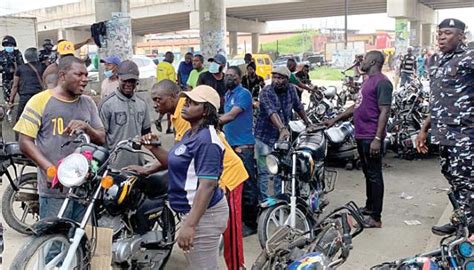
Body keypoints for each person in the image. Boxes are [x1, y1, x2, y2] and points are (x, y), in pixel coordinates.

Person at [139, 85, 229, 269]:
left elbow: (208, 185)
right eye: (186, 101)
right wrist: (153, 148)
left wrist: (190, 225)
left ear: (206, 111)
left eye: (192, 103)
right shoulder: (190, 133)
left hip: (205, 215)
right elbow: (174, 161)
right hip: (193, 213)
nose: (185, 105)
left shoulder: (207, 141)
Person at [13, 55, 105, 222]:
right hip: (54, 190)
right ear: (62, 76)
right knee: (53, 243)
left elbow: (101, 138)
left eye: (86, 75)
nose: (85, 79)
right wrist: (50, 170)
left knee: (79, 242)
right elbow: (24, 142)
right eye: (79, 75)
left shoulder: (88, 103)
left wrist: (86, 127)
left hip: (84, 189)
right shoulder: (40, 101)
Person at [415, 18, 474, 236]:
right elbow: (438, 101)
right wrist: (424, 129)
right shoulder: (439, 61)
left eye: (448, 33)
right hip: (443, 133)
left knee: (467, 181)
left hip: (465, 135)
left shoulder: (469, 58)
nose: (441, 37)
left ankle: (469, 229)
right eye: (439, 33)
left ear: (461, 36)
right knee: (453, 177)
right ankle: (462, 221)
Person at [325, 51, 393, 228]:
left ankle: (376, 218)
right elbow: (356, 107)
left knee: (375, 175)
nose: (360, 62)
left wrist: (378, 138)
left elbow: (385, 111)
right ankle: (370, 208)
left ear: (372, 61)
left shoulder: (382, 82)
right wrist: (334, 120)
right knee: (368, 174)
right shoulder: (367, 81)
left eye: (364, 59)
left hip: (371, 136)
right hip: (362, 135)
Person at [255, 66, 312, 201]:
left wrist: (308, 122)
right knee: (264, 173)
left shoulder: (291, 89)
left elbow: (298, 107)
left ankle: (280, 201)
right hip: (263, 139)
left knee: (282, 170)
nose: (276, 81)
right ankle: (266, 205)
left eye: (280, 78)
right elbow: (271, 112)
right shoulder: (266, 92)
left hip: (282, 140)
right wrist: (282, 128)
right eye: (274, 77)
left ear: (287, 80)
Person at [220, 66, 259, 238]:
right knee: (233, 184)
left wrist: (211, 120)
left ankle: (251, 224)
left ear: (239, 78)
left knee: (248, 185)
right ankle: (238, 220)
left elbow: (231, 115)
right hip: (231, 147)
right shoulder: (228, 95)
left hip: (243, 148)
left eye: (232, 76)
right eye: (226, 75)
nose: (228, 78)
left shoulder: (243, 94)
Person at [98, 60, 151, 170]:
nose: (128, 84)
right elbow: (100, 138)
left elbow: (146, 132)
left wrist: (149, 138)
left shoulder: (142, 104)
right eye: (125, 80)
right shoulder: (107, 104)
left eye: (132, 81)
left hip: (138, 166)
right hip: (113, 167)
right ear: (118, 78)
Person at [9, 48, 45, 126]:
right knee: (42, 119)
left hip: (25, 97)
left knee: (20, 121)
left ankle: (19, 137)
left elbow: (15, 86)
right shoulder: (43, 66)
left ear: (26, 57)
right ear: (37, 56)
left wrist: (11, 101)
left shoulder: (20, 69)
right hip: (40, 96)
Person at [0, 35, 24, 104]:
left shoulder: (17, 53)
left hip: (19, 79)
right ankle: (9, 111)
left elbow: (22, 65)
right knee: (8, 99)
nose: (9, 46)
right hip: (7, 80)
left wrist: (16, 70)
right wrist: (6, 70)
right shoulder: (1, 55)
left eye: (11, 45)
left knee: (23, 96)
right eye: (7, 45)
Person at [156, 51, 176, 134]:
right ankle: (169, 128)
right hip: (168, 90)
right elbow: (172, 81)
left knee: (164, 107)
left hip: (160, 89)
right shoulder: (170, 67)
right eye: (173, 58)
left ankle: (159, 119)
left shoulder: (159, 65)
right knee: (171, 109)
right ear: (170, 58)